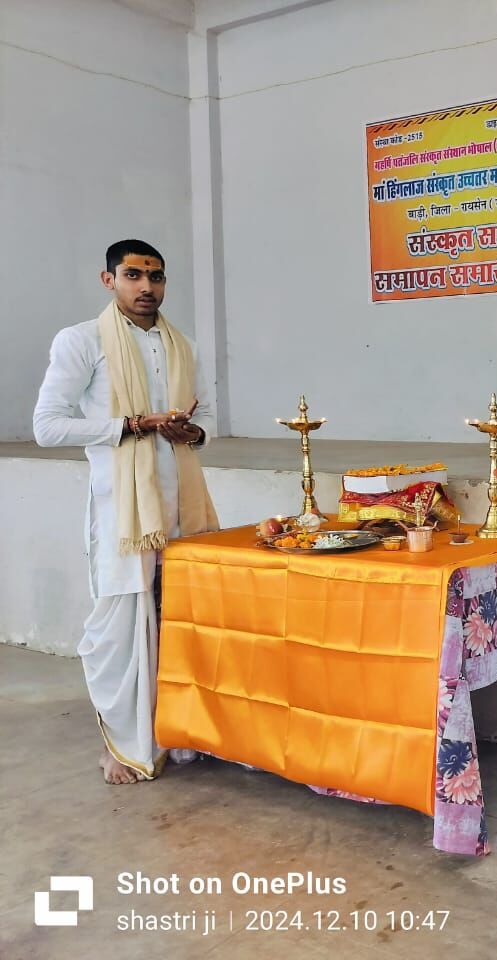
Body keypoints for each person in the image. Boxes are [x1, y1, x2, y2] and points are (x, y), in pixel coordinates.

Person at [33, 240, 219, 785]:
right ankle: (121, 745)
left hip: (182, 506)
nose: (146, 287)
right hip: (123, 516)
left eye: (156, 277)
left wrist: (193, 431)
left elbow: (204, 415)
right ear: (108, 279)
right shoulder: (82, 341)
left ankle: (179, 736)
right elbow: (48, 426)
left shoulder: (181, 346)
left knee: (180, 621)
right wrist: (130, 424)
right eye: (133, 275)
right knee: (120, 632)